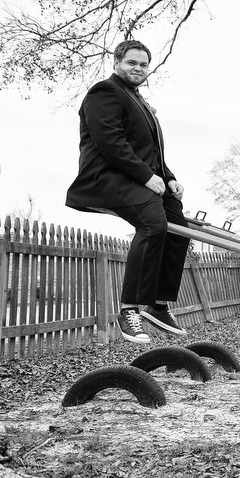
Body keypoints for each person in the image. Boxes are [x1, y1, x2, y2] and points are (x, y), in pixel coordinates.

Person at [66, 39, 189, 344]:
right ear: (117, 62)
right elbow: (111, 141)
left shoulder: (139, 101)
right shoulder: (104, 92)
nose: (138, 69)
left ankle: (158, 305)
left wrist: (169, 178)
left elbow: (151, 152)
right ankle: (129, 309)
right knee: (152, 223)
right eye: (131, 63)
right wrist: (147, 177)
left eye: (143, 64)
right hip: (107, 175)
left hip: (138, 179)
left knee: (179, 228)